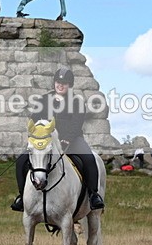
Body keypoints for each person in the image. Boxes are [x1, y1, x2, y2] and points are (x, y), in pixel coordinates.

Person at [11, 67, 105, 212]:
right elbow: (34, 120)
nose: (60, 85)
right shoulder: (44, 100)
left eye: (64, 83)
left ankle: (93, 195)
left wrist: (67, 139)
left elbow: (76, 124)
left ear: (70, 85)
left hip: (72, 141)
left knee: (89, 159)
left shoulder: (76, 101)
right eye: (58, 82)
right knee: (21, 161)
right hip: (47, 141)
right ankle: (21, 197)